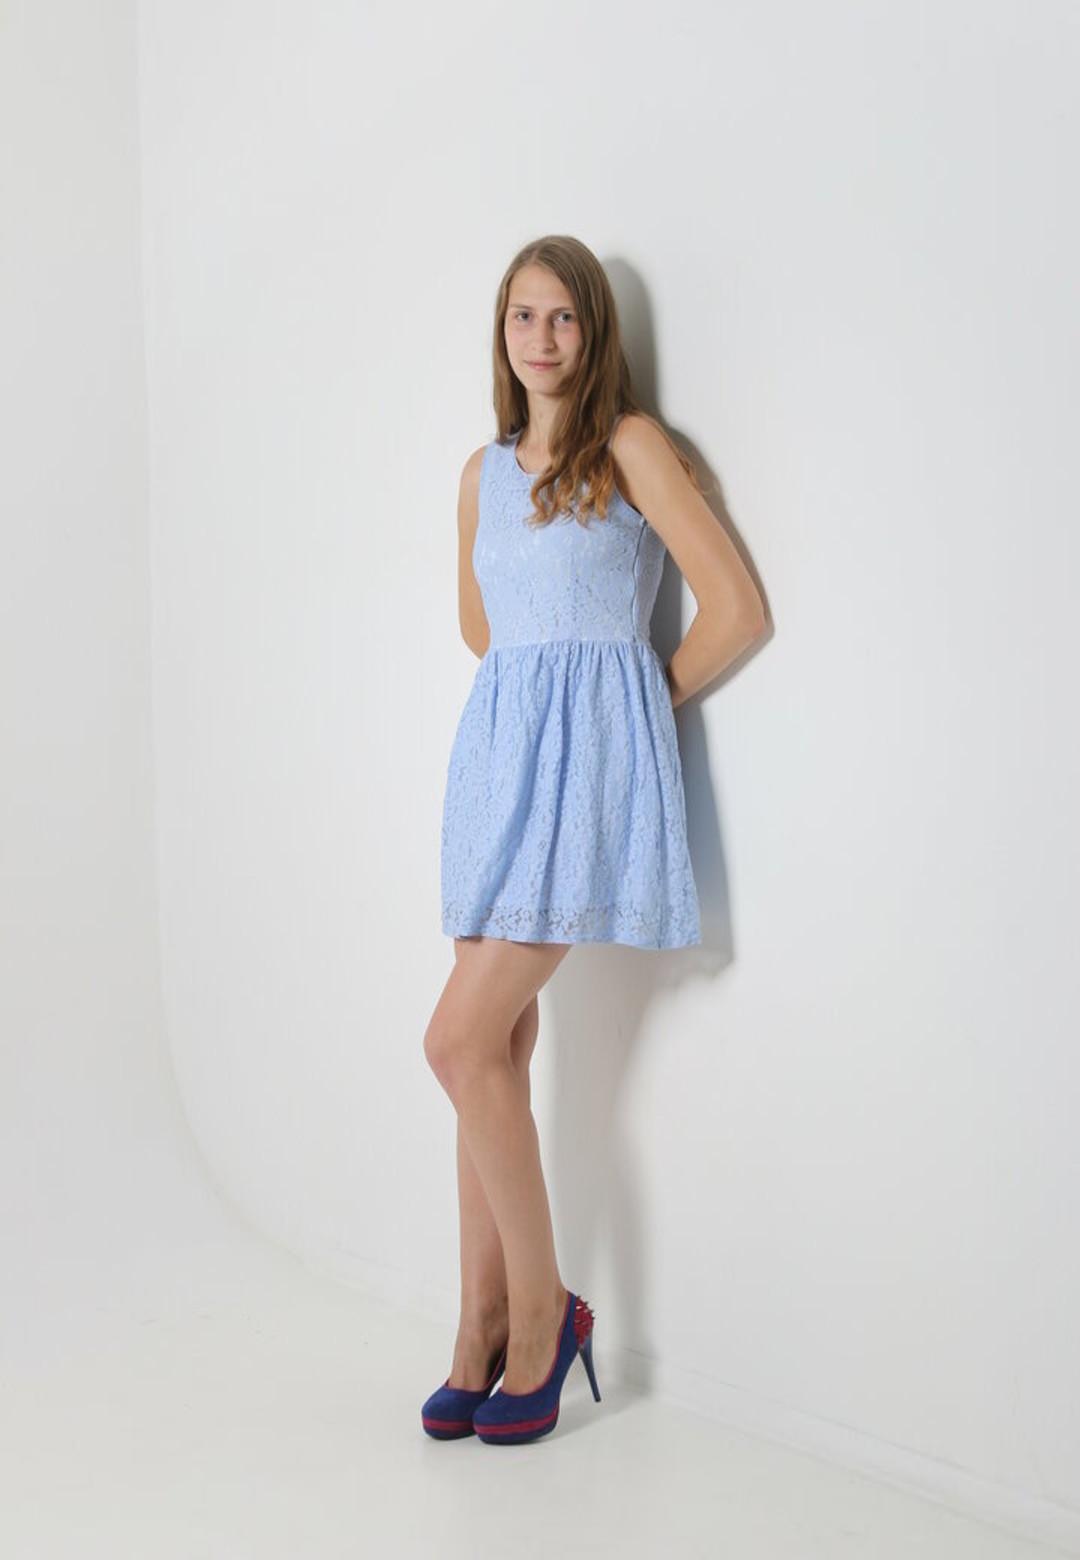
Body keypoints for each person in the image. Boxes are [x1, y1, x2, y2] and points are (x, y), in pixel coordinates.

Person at [421, 235, 767, 1444]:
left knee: (455, 1043)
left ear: (593, 332)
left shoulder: (629, 448)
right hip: (494, 774)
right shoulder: (480, 472)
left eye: (563, 317)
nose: (542, 338)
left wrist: (627, 711)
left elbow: (735, 609)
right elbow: (486, 632)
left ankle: (542, 1314)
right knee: (497, 1048)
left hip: (585, 784)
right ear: (502, 333)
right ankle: (476, 1322)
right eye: (523, 316)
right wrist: (541, 705)